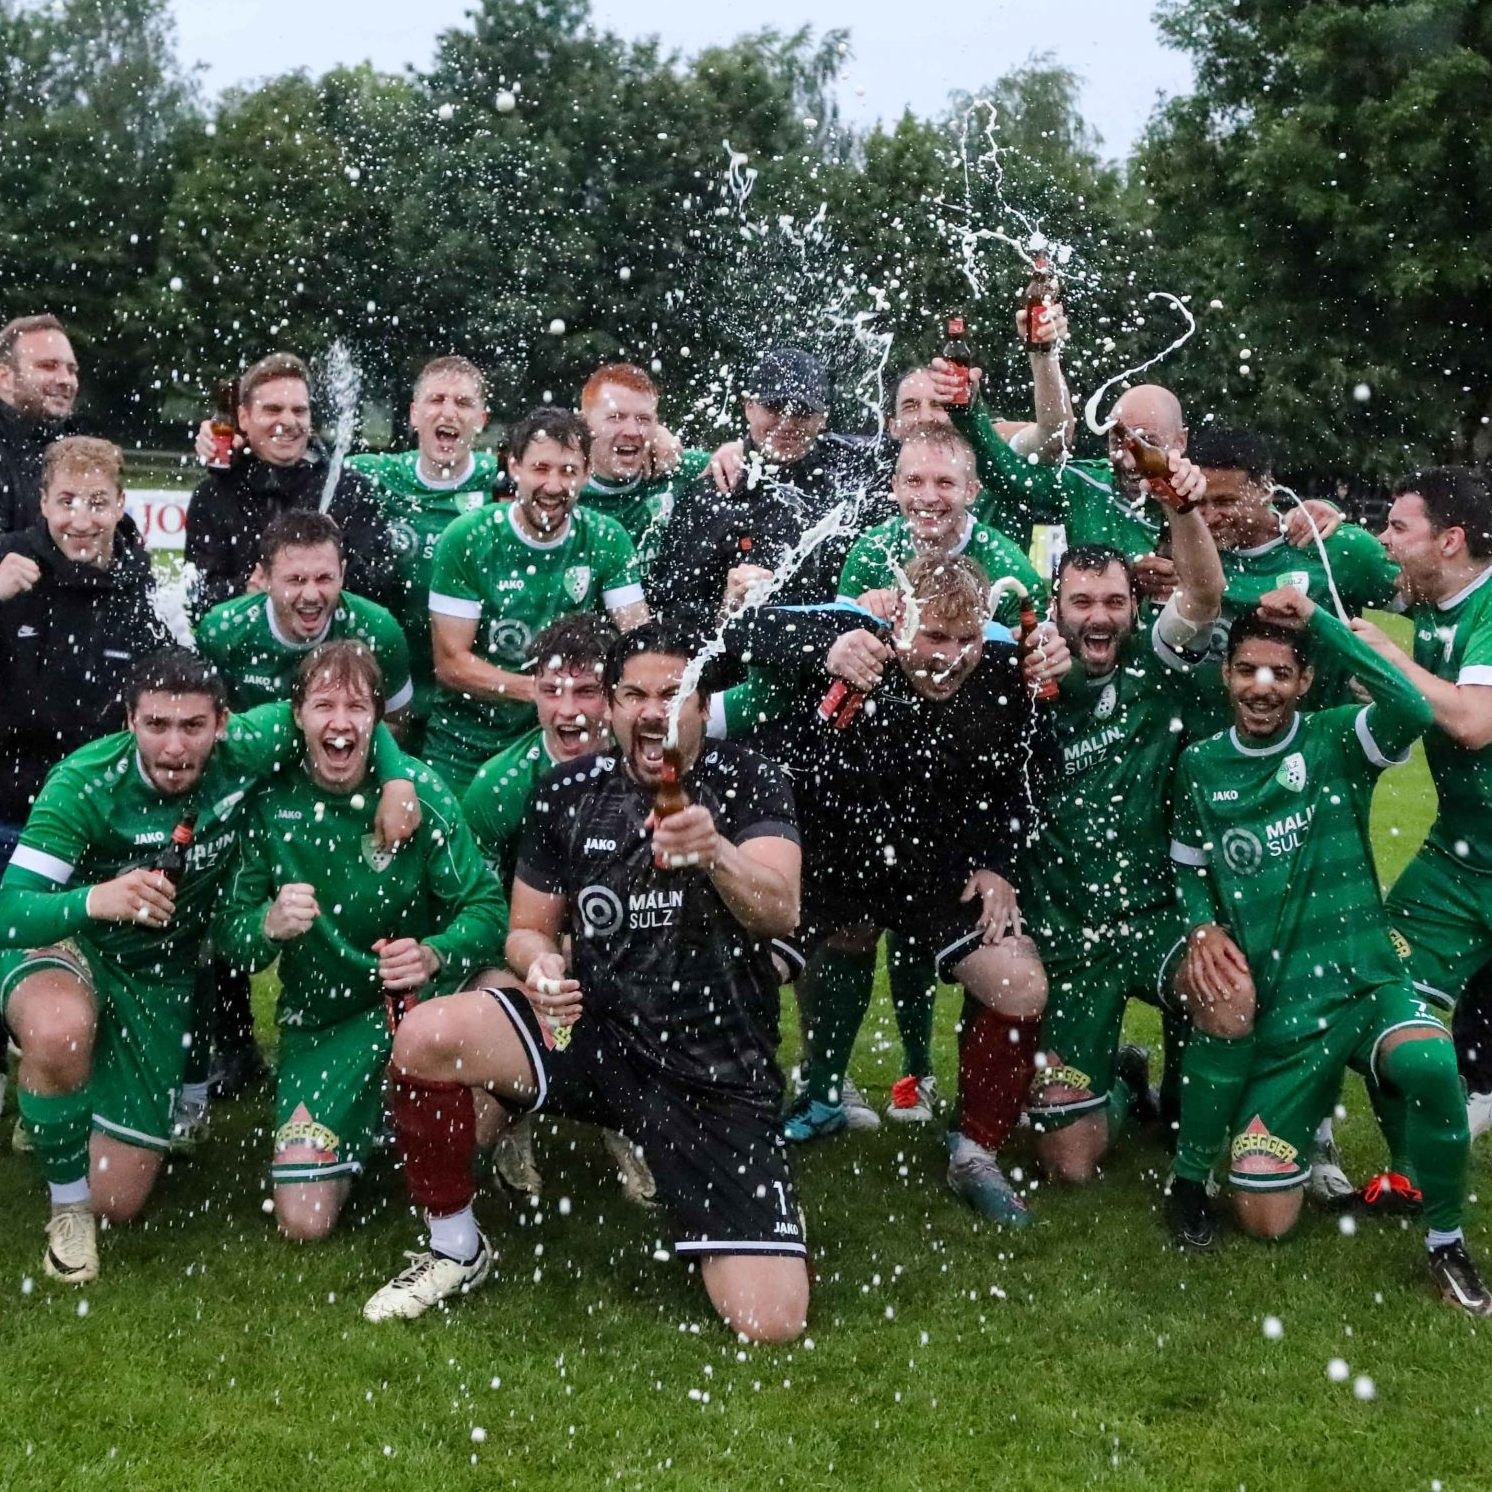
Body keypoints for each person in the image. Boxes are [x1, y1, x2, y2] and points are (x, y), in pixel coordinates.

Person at [361, 621, 809, 1342]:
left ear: (701, 703)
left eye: (673, 691)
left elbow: (779, 910)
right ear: (612, 705)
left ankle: (718, 1184)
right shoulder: (568, 790)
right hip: (593, 1033)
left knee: (771, 1322)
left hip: (713, 1068)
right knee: (426, 1033)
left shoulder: (751, 778)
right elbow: (526, 928)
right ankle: (455, 1248)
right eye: (633, 693)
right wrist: (540, 966)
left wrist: (716, 853)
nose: (652, 710)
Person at [0, 650, 419, 1283]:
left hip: (159, 980)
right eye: (156, 725)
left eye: (191, 726)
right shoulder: (83, 782)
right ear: (129, 722)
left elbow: (344, 710)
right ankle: (66, 1205)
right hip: (73, 949)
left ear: (222, 723)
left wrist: (397, 777)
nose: (174, 745)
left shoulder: (249, 745)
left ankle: (54, 1097)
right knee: (60, 1032)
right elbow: (10, 912)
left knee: (122, 1200)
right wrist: (97, 900)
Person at [1166, 592, 1490, 1315]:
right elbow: (1186, 862)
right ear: (1226, 674)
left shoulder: (1335, 741)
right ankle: (1195, 1179)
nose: (1262, 687)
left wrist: (1319, 627)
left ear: (1305, 682)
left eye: (1281, 673)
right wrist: (1198, 926)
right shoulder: (1201, 765)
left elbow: (1408, 707)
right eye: (1247, 670)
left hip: (1366, 985)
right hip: (1285, 1014)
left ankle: (1445, 1242)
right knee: (1265, 1222)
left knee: (1432, 1064)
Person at [725, 556, 1061, 1224]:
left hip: (941, 874)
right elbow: (741, 630)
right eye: (935, 638)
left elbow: (1031, 777)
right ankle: (737, 1129)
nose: (951, 657)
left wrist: (1000, 863)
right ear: (899, 622)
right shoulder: (858, 646)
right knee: (737, 972)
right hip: (831, 867)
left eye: (966, 639)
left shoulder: (1003, 677)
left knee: (1022, 984)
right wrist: (827, 644)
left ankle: (975, 1151)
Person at [217, 642, 507, 1241]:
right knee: (303, 1222)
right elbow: (232, 941)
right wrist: (266, 924)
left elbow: (487, 910)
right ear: (297, 716)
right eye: (324, 705)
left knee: (501, 998)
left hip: (419, 1007)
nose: (341, 723)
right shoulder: (270, 802)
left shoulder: (418, 792)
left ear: (379, 719)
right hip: (324, 1021)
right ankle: (375, 1116)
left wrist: (434, 952)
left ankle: (428, 1122)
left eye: (357, 707)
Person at [1024, 453, 1222, 1184]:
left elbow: (1204, 595)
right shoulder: (1027, 680)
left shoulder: (1156, 662)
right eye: (1081, 603)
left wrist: (1182, 505)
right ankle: (1118, 1074)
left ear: (1134, 606)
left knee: (1226, 1001)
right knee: (1070, 1166)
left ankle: (1190, 1137)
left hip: (1155, 916)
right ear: (1056, 608)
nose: (1098, 617)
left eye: (1112, 601)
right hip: (1072, 931)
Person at [461, 612, 655, 1204]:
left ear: (613, 696)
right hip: (529, 955)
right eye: (551, 690)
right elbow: (476, 904)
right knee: (467, 1135)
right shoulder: (498, 786)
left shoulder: (652, 767)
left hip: (630, 948)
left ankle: (632, 1124)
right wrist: (542, 951)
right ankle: (514, 1109)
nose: (568, 710)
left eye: (587, 690)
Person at [424, 407, 649, 795]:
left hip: (567, 742)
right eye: (541, 468)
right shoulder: (467, 538)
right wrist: (545, 692)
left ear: (586, 474)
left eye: (568, 471)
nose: (554, 485)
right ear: (514, 467)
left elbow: (639, 641)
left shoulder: (607, 538)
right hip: (465, 747)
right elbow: (451, 665)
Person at [1363, 468, 1492, 1136]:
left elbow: (1473, 721)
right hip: (1460, 850)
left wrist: (1390, 662)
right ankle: (1420, 1162)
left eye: (1398, 527)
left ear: (1450, 542)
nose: (1385, 541)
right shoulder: (1438, 602)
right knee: (1378, 990)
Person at [0, 437, 172, 867]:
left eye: (97, 502)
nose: (81, 520)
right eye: (67, 501)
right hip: (9, 811)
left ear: (119, 504)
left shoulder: (138, 583)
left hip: (99, 815)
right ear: (43, 503)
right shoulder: (8, 563)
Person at [647, 347, 884, 634]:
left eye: (802, 411)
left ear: (823, 418)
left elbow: (921, 449)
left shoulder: (851, 469)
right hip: (740, 664)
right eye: (774, 408)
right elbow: (668, 610)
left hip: (839, 655)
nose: (787, 423)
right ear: (749, 407)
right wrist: (724, 609)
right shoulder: (713, 493)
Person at [1185, 427, 1401, 711]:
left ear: (1265, 489)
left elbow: (1433, 606)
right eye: (1198, 503)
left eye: (1226, 502)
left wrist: (1391, 674)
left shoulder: (1334, 547)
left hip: (1323, 744)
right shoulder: (1182, 550)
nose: (1209, 517)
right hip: (1213, 747)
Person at [346, 356, 505, 731]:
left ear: (481, 419)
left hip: (471, 702)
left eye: (463, 403)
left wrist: (665, 454)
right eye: (436, 400)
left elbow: (579, 471)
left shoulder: (505, 480)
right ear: (414, 414)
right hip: (385, 693)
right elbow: (295, 466)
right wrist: (231, 444)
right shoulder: (372, 476)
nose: (448, 412)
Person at [185, 352, 394, 621]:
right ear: (244, 417)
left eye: (299, 411)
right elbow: (195, 599)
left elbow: (382, 583)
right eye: (272, 409)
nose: (288, 422)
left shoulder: (349, 490)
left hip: (331, 653)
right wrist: (246, 590)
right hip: (246, 653)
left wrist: (332, 560)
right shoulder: (214, 495)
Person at [196, 511, 413, 722]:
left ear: (342, 573)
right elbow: (208, 726)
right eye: (296, 580)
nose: (311, 595)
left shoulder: (377, 630)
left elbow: (396, 721)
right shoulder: (221, 630)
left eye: (324, 578)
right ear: (265, 578)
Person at [579, 362, 709, 578]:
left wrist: (731, 450)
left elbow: (749, 465)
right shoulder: (564, 488)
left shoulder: (676, 467)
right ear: (584, 424)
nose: (632, 431)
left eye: (643, 419)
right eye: (616, 417)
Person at [0, 314, 79, 534]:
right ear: (5, 378)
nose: (65, 380)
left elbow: (126, 543)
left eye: (71, 370)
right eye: (48, 366)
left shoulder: (77, 447)